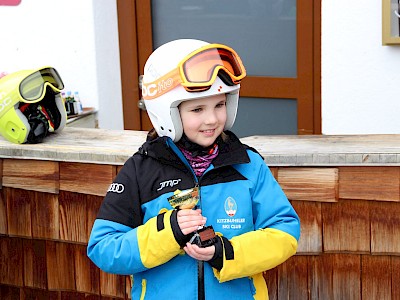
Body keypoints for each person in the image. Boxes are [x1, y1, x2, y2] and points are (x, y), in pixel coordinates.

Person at [87, 39, 300, 300]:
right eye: (197, 109)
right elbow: (104, 248)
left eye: (219, 105)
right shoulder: (140, 171)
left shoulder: (248, 165)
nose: (212, 119)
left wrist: (226, 252)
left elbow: (284, 232)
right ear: (167, 113)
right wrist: (167, 232)